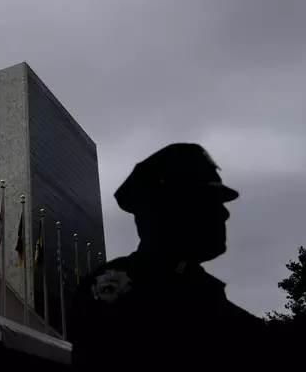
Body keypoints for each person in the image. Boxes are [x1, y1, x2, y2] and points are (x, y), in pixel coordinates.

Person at [70, 143, 269, 369]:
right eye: (207, 200)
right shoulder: (118, 290)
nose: (224, 213)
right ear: (165, 210)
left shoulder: (200, 289)